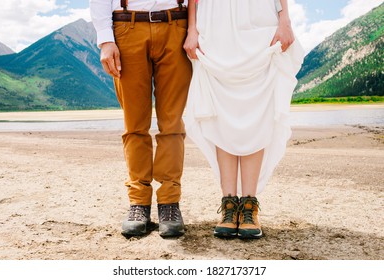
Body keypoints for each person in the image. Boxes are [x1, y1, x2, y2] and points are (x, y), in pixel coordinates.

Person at [183, 0, 304, 239]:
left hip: (258, 20)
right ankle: (229, 205)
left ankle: (249, 205)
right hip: (216, 24)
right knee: (221, 112)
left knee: (256, 109)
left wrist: (285, 20)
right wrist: (192, 28)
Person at [89, 0, 192, 237]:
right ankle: (138, 203)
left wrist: (195, 30)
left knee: (173, 124)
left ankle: (169, 203)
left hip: (176, 24)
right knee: (134, 126)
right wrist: (106, 40)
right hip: (127, 27)